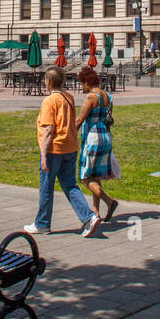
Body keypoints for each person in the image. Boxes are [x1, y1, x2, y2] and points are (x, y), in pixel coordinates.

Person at [26, 66, 101, 237]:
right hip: (70, 147)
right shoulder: (69, 97)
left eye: (45, 79)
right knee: (70, 185)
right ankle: (89, 217)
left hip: (55, 148)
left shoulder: (49, 101)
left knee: (46, 186)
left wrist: (44, 155)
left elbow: (48, 130)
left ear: (49, 82)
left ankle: (42, 223)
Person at [76, 66, 119, 220]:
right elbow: (108, 117)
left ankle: (109, 201)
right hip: (106, 136)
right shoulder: (108, 97)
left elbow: (80, 119)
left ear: (87, 82)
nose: (82, 87)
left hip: (93, 138)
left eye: (82, 83)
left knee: (84, 177)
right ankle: (96, 211)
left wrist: (67, 134)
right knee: (96, 176)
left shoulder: (90, 97)